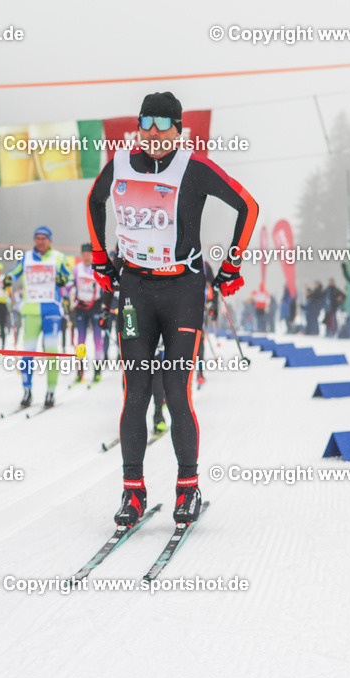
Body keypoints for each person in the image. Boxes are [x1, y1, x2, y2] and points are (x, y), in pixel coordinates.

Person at [87, 92, 258, 526]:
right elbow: (94, 201)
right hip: (135, 290)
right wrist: (100, 260)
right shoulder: (120, 164)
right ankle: (133, 492)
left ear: (179, 130)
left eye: (164, 124)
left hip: (183, 289)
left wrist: (232, 264)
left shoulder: (193, 167)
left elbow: (247, 205)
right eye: (146, 123)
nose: (154, 133)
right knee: (136, 392)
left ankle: (187, 487)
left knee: (177, 390)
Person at [5, 226, 70, 407]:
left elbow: (69, 276)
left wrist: (63, 279)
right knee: (28, 353)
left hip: (52, 311)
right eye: (37, 238)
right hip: (31, 311)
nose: (40, 241)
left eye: (44, 238)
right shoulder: (25, 258)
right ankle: (27, 391)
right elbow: (13, 273)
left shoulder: (58, 257)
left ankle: (50, 392)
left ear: (50, 240)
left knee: (51, 353)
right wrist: (8, 279)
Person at [72, 244, 103, 382]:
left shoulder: (98, 268)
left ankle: (97, 371)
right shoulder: (76, 269)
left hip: (95, 306)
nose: (86, 257)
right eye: (84, 255)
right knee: (81, 339)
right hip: (81, 307)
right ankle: (80, 371)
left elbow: (105, 287)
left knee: (97, 339)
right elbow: (69, 285)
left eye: (88, 254)